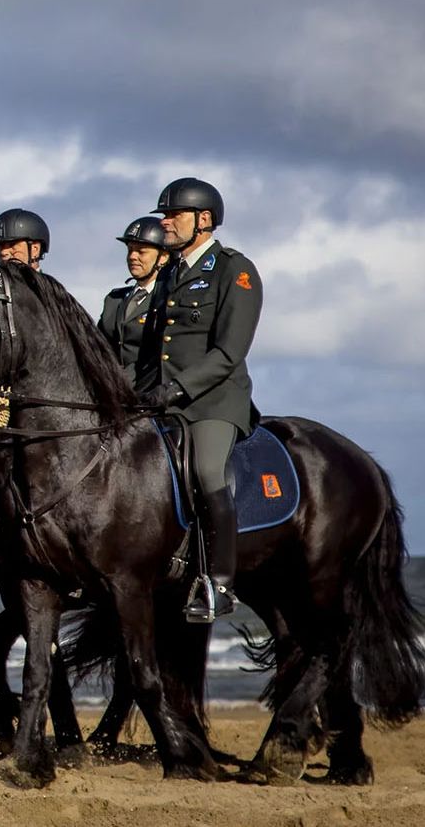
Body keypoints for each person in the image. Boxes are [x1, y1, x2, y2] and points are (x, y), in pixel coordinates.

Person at [136, 178, 263, 622]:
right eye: (164, 215)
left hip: (213, 401)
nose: (165, 222)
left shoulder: (234, 270)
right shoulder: (169, 273)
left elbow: (230, 351)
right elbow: (155, 348)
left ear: (203, 220)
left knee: (208, 470)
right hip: (163, 399)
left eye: (173, 215)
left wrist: (177, 389)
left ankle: (221, 585)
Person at [96, 216, 176, 367]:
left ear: (163, 257)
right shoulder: (114, 299)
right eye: (130, 250)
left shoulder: (169, 298)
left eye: (141, 252)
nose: (132, 256)